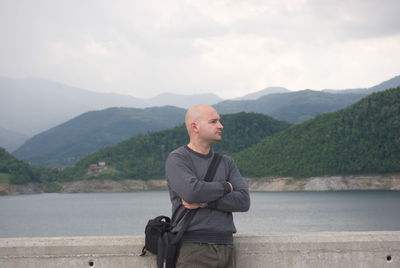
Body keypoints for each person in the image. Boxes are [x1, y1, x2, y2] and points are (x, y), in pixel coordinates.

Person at [165, 104, 251, 268]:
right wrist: (226, 187)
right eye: (213, 122)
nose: (220, 126)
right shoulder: (178, 159)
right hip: (194, 247)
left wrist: (206, 203)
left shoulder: (227, 162)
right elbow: (192, 192)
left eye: (219, 121)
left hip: (226, 245)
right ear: (195, 126)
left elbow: (243, 201)